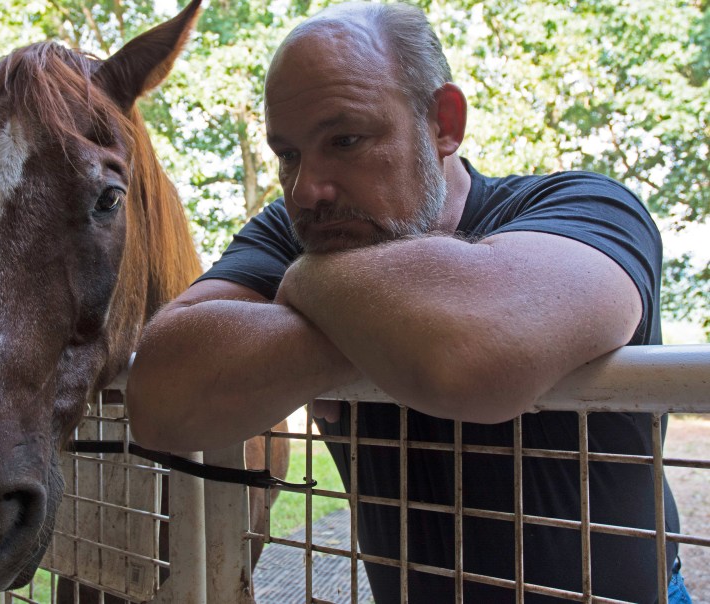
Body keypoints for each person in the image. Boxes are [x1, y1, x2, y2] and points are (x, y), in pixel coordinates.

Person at [126, 2, 690, 602]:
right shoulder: (292, 232)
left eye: (345, 140)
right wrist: (385, 326)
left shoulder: (586, 207)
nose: (306, 190)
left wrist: (306, 283)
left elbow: (472, 352)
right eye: (287, 154)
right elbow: (159, 398)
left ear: (444, 123)